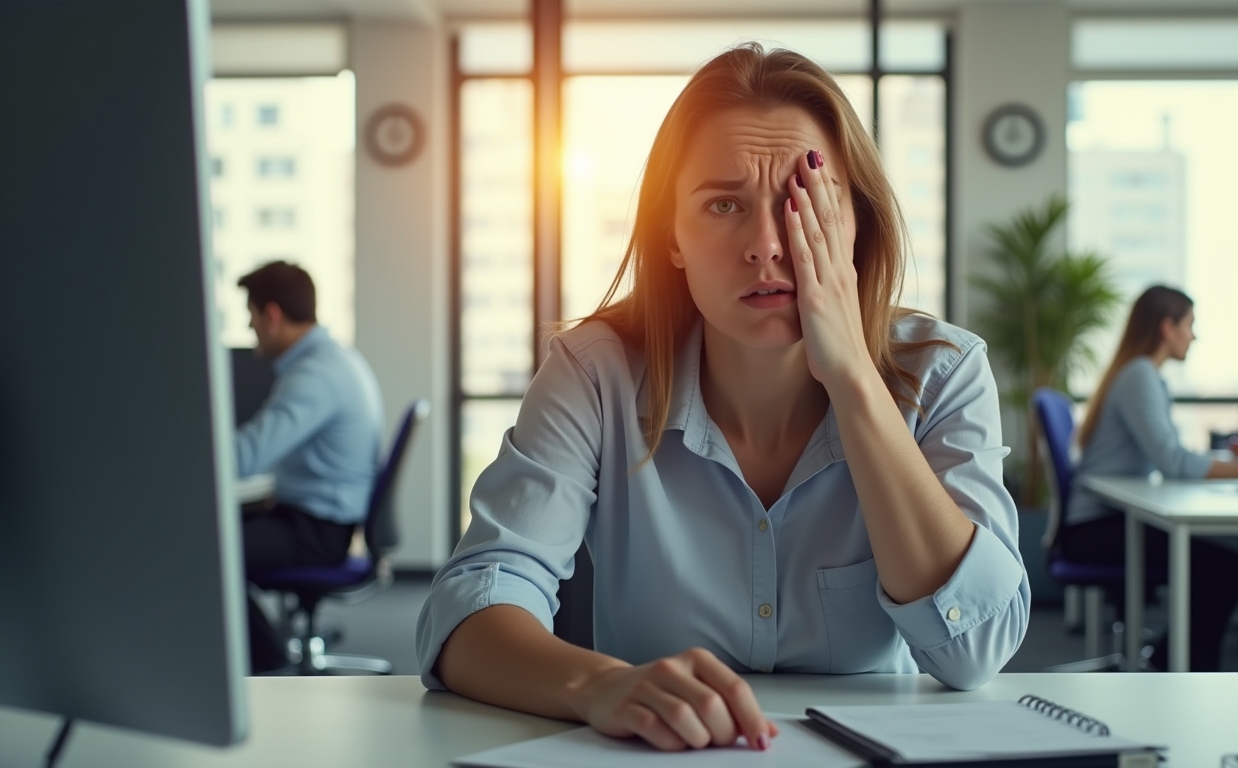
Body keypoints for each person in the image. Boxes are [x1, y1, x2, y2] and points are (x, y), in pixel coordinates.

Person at [417, 44, 1029, 752]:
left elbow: (976, 649)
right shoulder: (595, 371)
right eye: (723, 204)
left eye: (805, 204)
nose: (767, 245)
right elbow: (468, 613)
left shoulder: (944, 372)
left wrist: (855, 380)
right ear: (671, 235)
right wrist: (596, 685)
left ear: (854, 226)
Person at [1062, 285, 1238, 672]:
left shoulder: (1140, 374)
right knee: (1225, 570)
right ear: (1167, 327)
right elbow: (1174, 461)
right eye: (1190, 324)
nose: (1194, 335)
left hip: (1106, 519)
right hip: (1095, 529)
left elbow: (1171, 455)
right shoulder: (1139, 375)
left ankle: (1172, 664)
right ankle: (1178, 669)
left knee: (1220, 567)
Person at [235, 261, 384, 673]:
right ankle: (266, 659)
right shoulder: (332, 360)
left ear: (273, 315)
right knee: (220, 532)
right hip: (318, 518)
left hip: (316, 531)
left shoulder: (316, 373)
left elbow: (247, 456)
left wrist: (183, 461)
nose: (252, 333)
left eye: (252, 319)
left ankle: (269, 668)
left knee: (209, 554)